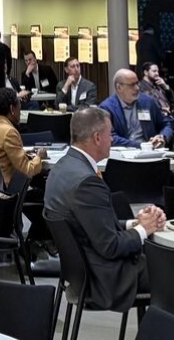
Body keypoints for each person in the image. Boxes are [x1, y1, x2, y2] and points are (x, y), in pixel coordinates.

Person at [44, 107, 166, 314]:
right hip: (105, 277)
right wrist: (144, 230)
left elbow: (92, 226)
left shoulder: (63, 167)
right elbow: (110, 246)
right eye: (110, 135)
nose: (112, 140)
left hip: (80, 271)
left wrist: (133, 224)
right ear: (97, 138)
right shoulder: (87, 182)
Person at [0, 87, 42, 192]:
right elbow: (27, 171)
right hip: (11, 188)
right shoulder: (9, 132)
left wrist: (25, 154)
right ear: (12, 109)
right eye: (19, 104)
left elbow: (2, 156)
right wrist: (39, 157)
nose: (20, 108)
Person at [101, 68, 168, 148]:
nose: (137, 88)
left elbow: (166, 123)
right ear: (119, 87)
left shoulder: (148, 102)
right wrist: (140, 145)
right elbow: (110, 137)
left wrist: (162, 136)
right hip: (122, 154)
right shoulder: (106, 108)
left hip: (150, 152)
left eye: (137, 83)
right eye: (132, 85)